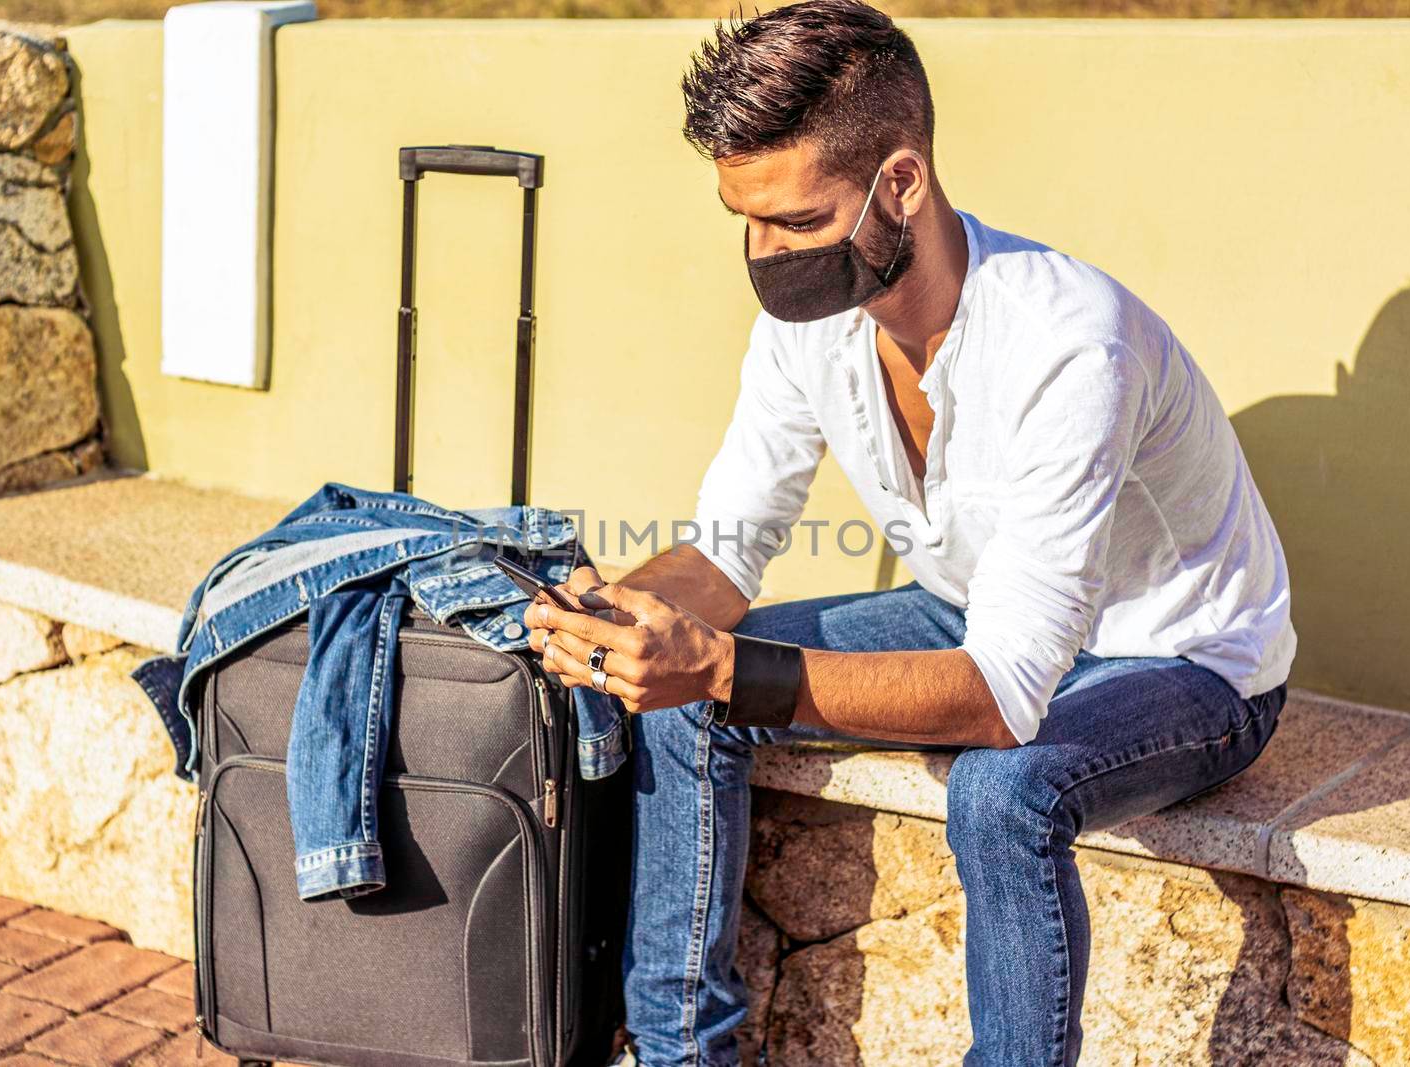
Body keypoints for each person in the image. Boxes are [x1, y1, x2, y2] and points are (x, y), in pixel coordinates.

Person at [521, 2, 1296, 1064]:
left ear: (902, 183)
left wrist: (715, 666)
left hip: (1185, 660)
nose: (763, 253)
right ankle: (679, 1052)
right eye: (742, 220)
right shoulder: (807, 328)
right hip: (976, 606)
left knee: (1001, 786)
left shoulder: (1069, 346)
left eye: (796, 222)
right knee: (678, 701)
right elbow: (722, 556)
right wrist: (602, 618)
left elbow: (999, 695)